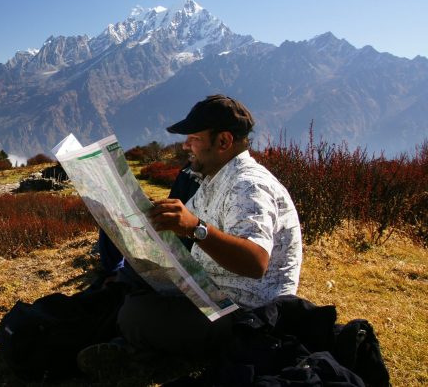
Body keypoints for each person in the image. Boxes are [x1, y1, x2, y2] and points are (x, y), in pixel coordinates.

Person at [78, 94, 303, 378]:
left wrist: (196, 228)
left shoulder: (248, 186)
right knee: (128, 294)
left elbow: (255, 262)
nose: (186, 146)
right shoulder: (215, 179)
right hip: (210, 294)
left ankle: (138, 353)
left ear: (223, 142)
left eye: (194, 138)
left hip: (245, 315)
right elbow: (180, 228)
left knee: (133, 314)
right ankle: (136, 348)